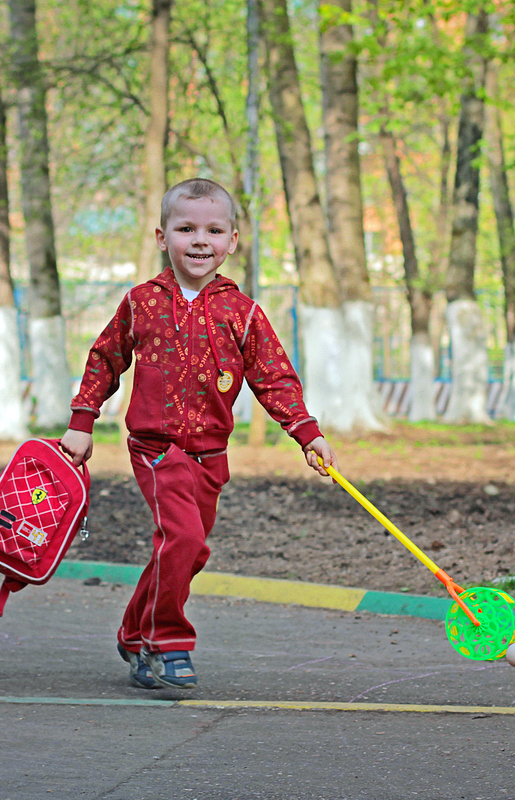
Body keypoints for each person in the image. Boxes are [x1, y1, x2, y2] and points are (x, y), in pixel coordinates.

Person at [59, 178, 338, 691]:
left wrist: (307, 433)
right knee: (182, 537)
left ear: (233, 240)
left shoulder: (243, 311)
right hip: (155, 447)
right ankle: (168, 642)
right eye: (186, 228)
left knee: (189, 549)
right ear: (163, 236)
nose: (200, 240)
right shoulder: (141, 302)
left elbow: (273, 376)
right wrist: (82, 421)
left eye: (213, 229)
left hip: (210, 452)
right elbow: (104, 359)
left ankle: (133, 629)